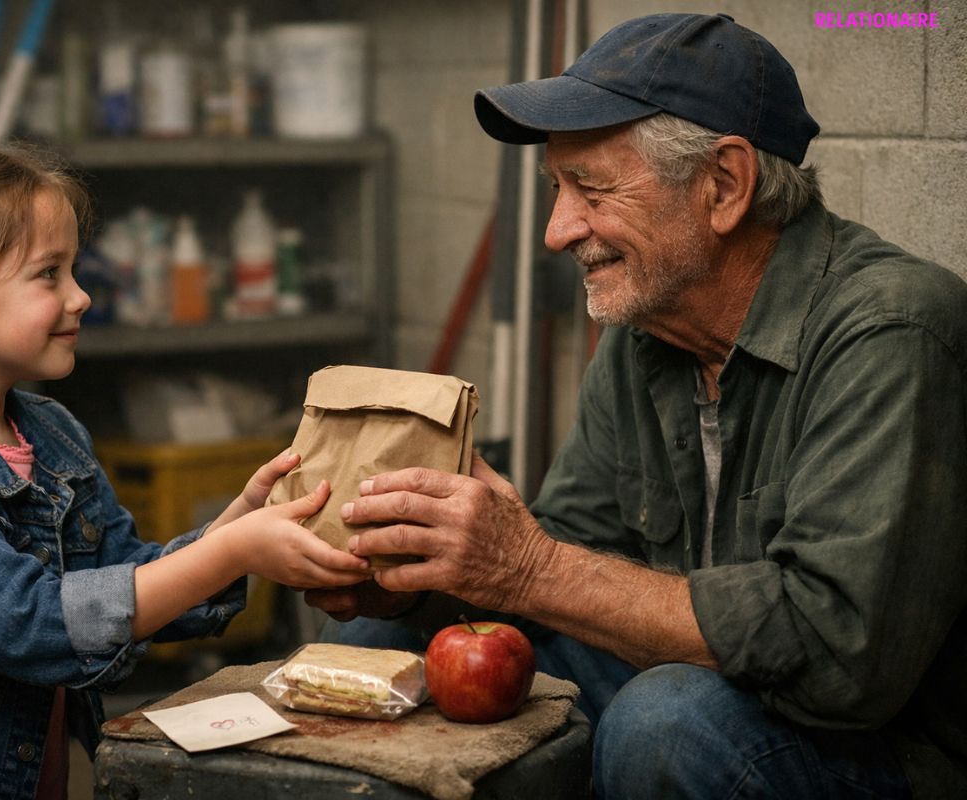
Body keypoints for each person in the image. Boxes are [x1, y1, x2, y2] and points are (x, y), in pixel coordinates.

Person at [305, 13, 967, 799]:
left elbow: (836, 654)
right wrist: (430, 574)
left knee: (667, 724)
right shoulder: (646, 331)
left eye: (591, 190)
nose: (558, 231)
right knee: (383, 638)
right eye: (557, 189)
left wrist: (525, 566)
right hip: (698, 685)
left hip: (877, 749)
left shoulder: (892, 329)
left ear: (724, 185)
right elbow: (573, 554)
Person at [0, 142, 371, 800]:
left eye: (73, 270)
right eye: (47, 274)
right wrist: (232, 552)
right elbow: (35, 627)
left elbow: (126, 588)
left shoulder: (51, 433)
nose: (80, 296)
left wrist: (235, 527)